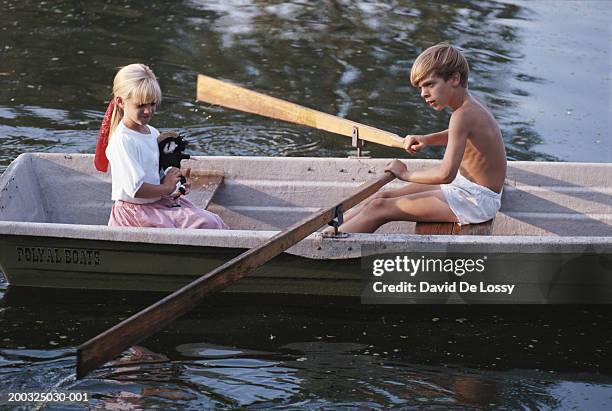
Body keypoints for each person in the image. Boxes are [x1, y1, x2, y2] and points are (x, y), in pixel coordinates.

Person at [327, 42, 506, 234]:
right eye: (421, 87)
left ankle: (330, 244)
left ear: (454, 79)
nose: (423, 94)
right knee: (382, 197)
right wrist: (428, 139)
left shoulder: (461, 116)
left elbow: (446, 175)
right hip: (467, 187)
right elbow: (461, 135)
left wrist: (404, 174)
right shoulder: (471, 106)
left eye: (430, 84)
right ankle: (332, 232)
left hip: (474, 202)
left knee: (379, 208)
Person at [94, 63, 228, 229]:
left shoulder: (152, 132)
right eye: (141, 105)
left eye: (152, 104)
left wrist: (176, 186)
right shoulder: (123, 141)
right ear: (120, 102)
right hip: (135, 213)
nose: (148, 111)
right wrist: (166, 187)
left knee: (213, 221)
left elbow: (155, 173)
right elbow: (136, 190)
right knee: (209, 224)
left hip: (155, 204)